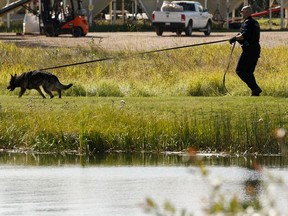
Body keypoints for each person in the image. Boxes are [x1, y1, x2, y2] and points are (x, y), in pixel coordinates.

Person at [229, 6, 262, 96]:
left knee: (240, 70)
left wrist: (235, 38)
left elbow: (245, 35)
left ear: (247, 12)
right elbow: (249, 35)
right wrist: (237, 37)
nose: (241, 13)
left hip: (249, 49)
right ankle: (255, 93)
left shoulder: (247, 22)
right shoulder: (255, 22)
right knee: (248, 72)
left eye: (242, 11)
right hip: (255, 49)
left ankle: (255, 88)